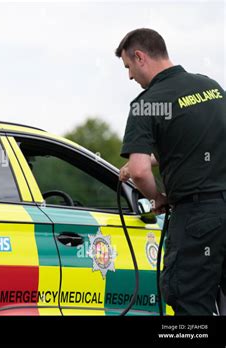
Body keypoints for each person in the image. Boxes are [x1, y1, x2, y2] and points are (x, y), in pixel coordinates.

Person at [115, 28, 226, 315]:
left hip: (198, 219)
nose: (129, 77)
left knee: (189, 305)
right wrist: (150, 161)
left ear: (139, 57)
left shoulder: (148, 102)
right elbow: (193, 144)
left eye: (128, 67)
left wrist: (159, 197)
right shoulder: (211, 87)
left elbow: (139, 172)